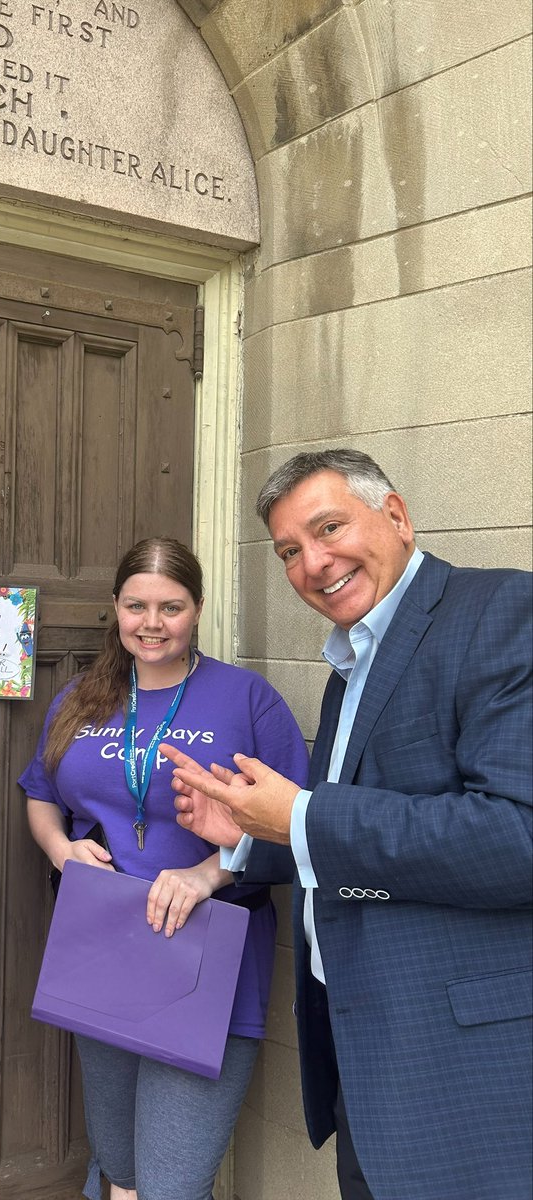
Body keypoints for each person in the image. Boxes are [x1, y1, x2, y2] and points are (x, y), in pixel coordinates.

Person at [162, 449, 533, 1200]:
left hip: (458, 1073)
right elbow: (343, 843)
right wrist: (243, 833)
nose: (313, 563)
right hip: (364, 1059)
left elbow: (515, 837)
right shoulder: (353, 661)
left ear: (396, 516)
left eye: (329, 528)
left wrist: (297, 812)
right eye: (290, 552)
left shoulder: (499, 612)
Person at [19, 537, 308, 1200]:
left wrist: (210, 871)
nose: (151, 622)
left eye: (170, 607)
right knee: (119, 1172)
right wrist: (61, 850)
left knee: (170, 1185)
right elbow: (40, 794)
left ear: (197, 609)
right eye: (136, 605)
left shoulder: (246, 700)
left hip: (209, 960)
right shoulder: (81, 698)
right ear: (116, 608)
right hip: (105, 950)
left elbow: (296, 826)